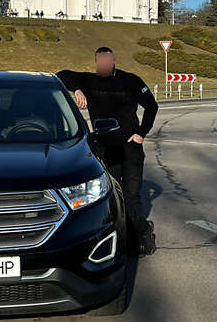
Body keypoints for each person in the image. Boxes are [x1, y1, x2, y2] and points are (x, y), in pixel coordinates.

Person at [56, 47, 158, 256]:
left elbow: (152, 106)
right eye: (99, 61)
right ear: (96, 62)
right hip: (105, 148)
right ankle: (118, 236)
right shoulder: (88, 81)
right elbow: (61, 76)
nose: (103, 64)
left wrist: (140, 134)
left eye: (106, 60)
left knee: (131, 195)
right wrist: (77, 90)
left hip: (130, 146)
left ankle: (142, 233)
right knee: (112, 197)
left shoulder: (130, 81)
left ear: (113, 61)